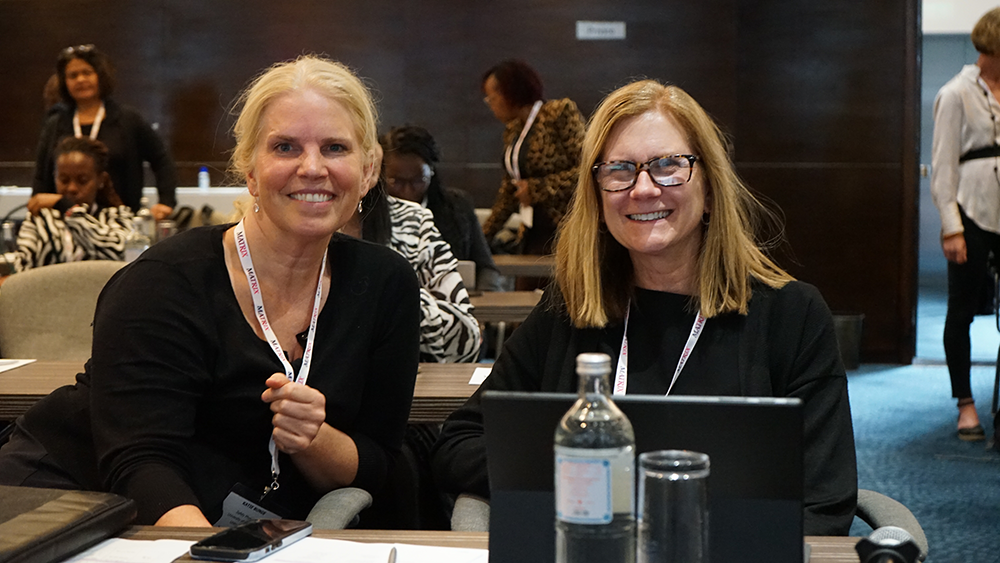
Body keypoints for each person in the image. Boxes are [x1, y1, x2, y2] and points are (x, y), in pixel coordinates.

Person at [0, 55, 421, 527]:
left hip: (233, 529)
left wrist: (314, 438)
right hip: (72, 504)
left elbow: (377, 462)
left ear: (366, 173)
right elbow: (142, 463)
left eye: (335, 148)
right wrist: (213, 554)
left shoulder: (387, 285)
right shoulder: (163, 281)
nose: (312, 167)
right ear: (250, 172)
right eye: (284, 147)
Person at [432, 79, 858, 536]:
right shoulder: (571, 307)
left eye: (668, 166)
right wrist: (590, 470)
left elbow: (825, 502)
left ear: (711, 189)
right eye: (618, 169)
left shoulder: (792, 315)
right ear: (597, 197)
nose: (642, 189)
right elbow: (459, 442)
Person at [930, 8, 1000, 442]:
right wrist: (951, 226)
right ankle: (965, 404)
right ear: (987, 49)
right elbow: (942, 169)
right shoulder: (955, 93)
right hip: (970, 214)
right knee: (962, 311)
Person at [32, 44, 177, 220]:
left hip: (120, 220)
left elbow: (161, 159)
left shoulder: (128, 120)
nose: (80, 80)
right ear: (64, 81)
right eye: (73, 75)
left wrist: (166, 201)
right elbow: (41, 173)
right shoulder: (54, 123)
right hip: (63, 222)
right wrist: (38, 206)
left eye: (87, 73)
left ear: (100, 76)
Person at [345, 182, 482, 363]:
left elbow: (467, 339)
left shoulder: (412, 220)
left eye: (336, 151)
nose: (313, 169)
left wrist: (402, 300)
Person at [479, 60, 585, 265]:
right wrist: (482, 238)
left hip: (564, 226)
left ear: (511, 93)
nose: (490, 105)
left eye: (491, 98)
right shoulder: (513, 130)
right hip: (531, 229)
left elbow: (588, 169)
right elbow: (509, 191)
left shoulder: (559, 112)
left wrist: (537, 189)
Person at [381, 125, 503, 292]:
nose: (407, 191)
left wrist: (482, 302)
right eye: (396, 181)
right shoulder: (369, 211)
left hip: (453, 306)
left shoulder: (457, 205)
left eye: (418, 180)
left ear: (431, 171)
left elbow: (486, 266)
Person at [1, 137, 133, 277]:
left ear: (100, 180)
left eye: (82, 181)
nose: (71, 188)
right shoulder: (40, 218)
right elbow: (23, 268)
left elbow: (118, 253)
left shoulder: (118, 216)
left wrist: (68, 209)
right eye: (63, 180)